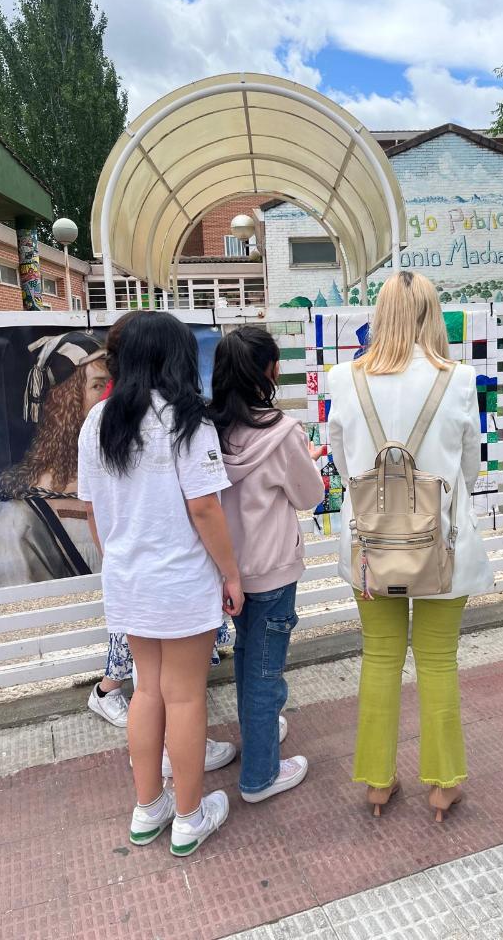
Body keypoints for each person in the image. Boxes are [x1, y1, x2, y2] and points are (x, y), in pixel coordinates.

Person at [327, 272, 493, 822]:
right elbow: (469, 468)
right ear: (432, 313)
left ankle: (378, 781)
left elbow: (342, 459)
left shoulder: (343, 379)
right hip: (441, 543)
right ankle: (444, 784)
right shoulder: (460, 381)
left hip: (370, 546)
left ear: (382, 313)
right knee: (439, 659)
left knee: (379, 656)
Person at [78, 311, 244, 857]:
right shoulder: (188, 423)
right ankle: (191, 818)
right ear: (174, 358)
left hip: (128, 581)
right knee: (185, 695)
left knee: (146, 691)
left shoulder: (97, 422)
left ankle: (149, 809)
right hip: (180, 583)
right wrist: (231, 574)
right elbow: (204, 509)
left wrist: (122, 562)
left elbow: (94, 513)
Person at [207, 326, 323, 802]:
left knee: (250, 661)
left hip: (224, 570)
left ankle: (261, 732)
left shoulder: (206, 429)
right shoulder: (282, 433)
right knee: (263, 668)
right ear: (269, 371)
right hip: (272, 568)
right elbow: (310, 494)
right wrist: (311, 460)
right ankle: (259, 776)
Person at [0, 331, 109, 586]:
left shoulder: (122, 480)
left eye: (114, 385)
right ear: (63, 402)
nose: (111, 398)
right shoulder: (16, 520)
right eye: (98, 385)